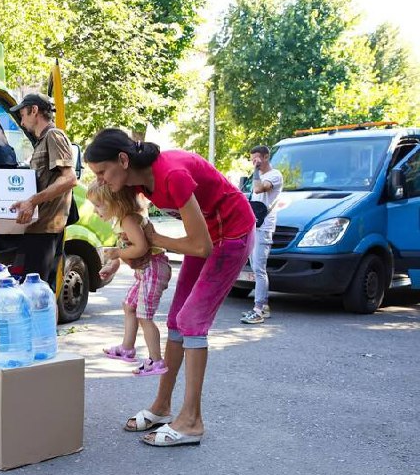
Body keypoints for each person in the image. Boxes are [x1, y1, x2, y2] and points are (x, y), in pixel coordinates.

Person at [84, 128, 255, 447]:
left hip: (232, 235)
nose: (102, 180)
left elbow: (200, 247)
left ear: (123, 160)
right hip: (208, 237)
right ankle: (162, 406)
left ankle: (191, 421)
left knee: (192, 321)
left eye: (102, 172)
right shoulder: (137, 182)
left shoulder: (171, 175)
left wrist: (155, 241)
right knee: (176, 320)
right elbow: (134, 230)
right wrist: (125, 257)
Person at [86, 181, 171, 376]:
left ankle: (155, 361)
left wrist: (116, 253)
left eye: (98, 205)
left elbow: (140, 248)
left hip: (154, 268)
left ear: (116, 202)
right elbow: (127, 249)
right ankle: (127, 348)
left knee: (144, 315)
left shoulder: (129, 220)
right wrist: (112, 265)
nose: (95, 211)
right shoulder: (121, 221)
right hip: (146, 270)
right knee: (129, 305)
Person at [8, 93, 77, 289]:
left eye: (22, 115)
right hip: (37, 227)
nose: (21, 122)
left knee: (40, 292)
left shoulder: (54, 136)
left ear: (34, 110)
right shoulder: (42, 141)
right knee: (34, 291)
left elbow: (70, 178)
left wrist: (32, 201)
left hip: (47, 228)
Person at [241, 145, 283, 324]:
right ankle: (263, 307)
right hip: (254, 226)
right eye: (252, 159)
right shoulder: (259, 176)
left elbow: (259, 189)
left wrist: (256, 171)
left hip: (264, 227)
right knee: (255, 266)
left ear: (266, 157)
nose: (254, 162)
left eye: (257, 158)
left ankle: (258, 309)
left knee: (259, 269)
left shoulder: (275, 175)